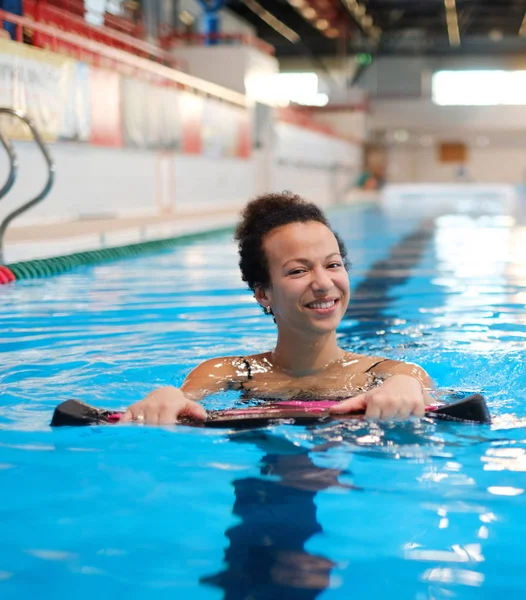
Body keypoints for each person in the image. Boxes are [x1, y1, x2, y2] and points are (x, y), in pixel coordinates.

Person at [122, 192, 433, 425]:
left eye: (333, 264)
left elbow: (439, 410)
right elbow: (182, 401)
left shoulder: (393, 375)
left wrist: (410, 387)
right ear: (263, 293)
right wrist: (166, 395)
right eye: (298, 271)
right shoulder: (228, 373)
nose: (323, 283)